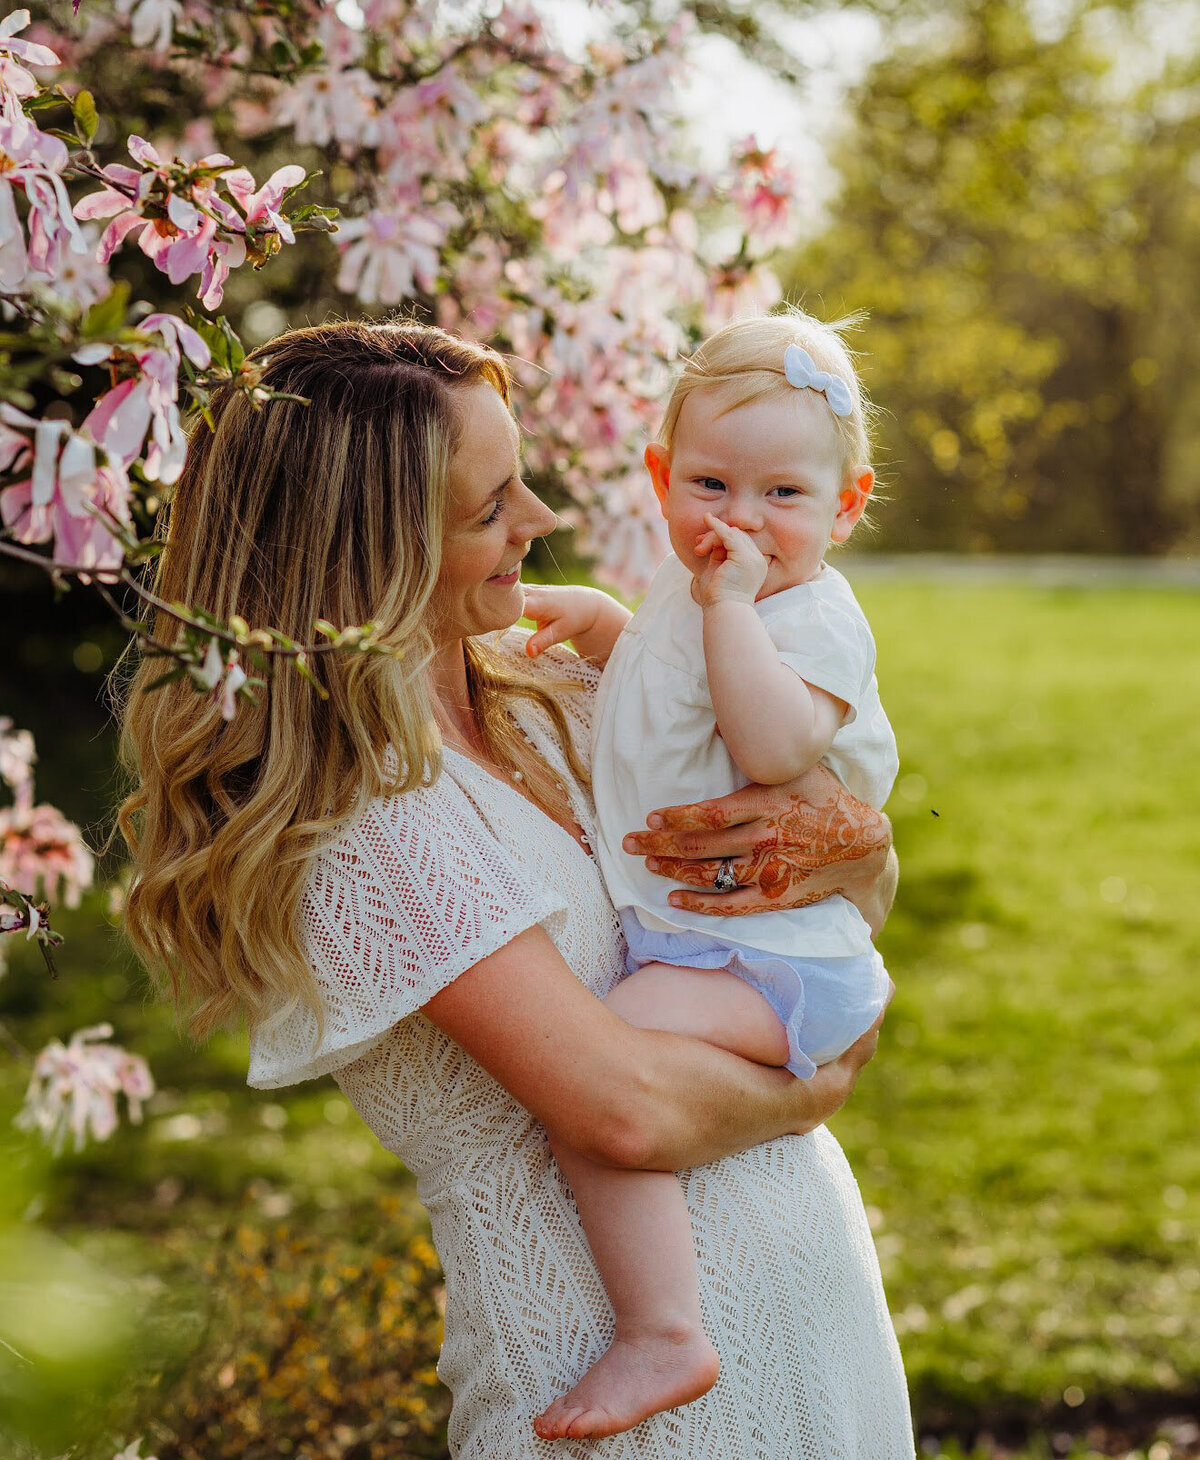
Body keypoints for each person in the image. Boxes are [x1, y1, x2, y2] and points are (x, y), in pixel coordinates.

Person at [121, 320, 914, 1460]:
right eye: (493, 508)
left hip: (814, 1315)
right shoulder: (361, 823)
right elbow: (623, 1109)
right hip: (617, 1395)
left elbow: (814, 881)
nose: (540, 521)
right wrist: (815, 1083)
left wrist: (857, 850)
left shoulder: (559, 689)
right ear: (373, 552)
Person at [521, 312, 897, 1439]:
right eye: (711, 483)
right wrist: (613, 633)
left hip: (782, 957)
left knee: (605, 1055)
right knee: (605, 1057)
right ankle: (664, 1322)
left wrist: (724, 607)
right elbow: (677, 701)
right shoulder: (701, 599)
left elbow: (775, 745)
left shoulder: (813, 616)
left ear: (846, 504)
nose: (741, 518)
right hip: (725, 943)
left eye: (784, 495)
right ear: (659, 478)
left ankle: (663, 1329)